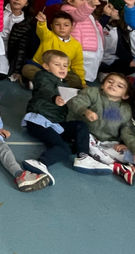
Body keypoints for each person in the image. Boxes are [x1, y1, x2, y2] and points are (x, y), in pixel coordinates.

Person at [19, 50, 93, 184]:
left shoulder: (63, 84)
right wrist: (55, 97)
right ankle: (40, 163)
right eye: (57, 64)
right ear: (46, 66)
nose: (62, 68)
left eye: (65, 65)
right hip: (39, 120)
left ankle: (84, 156)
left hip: (56, 122)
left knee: (80, 126)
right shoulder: (43, 76)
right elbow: (45, 88)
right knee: (63, 147)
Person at [67, 73, 135, 184]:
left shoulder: (125, 109)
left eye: (119, 86)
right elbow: (75, 102)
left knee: (125, 152)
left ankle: (124, 166)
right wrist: (85, 111)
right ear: (102, 85)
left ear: (125, 95)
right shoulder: (93, 93)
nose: (113, 85)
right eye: (110, 81)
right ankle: (115, 167)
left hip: (108, 142)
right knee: (89, 144)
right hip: (87, 134)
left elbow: (127, 130)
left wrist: (131, 148)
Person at [60, 0, 104, 82]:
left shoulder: (88, 13)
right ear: (70, 1)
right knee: (76, 71)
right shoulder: (68, 11)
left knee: (88, 72)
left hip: (92, 47)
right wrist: (90, 4)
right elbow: (78, 16)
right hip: (80, 47)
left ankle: (83, 84)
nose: (85, 2)